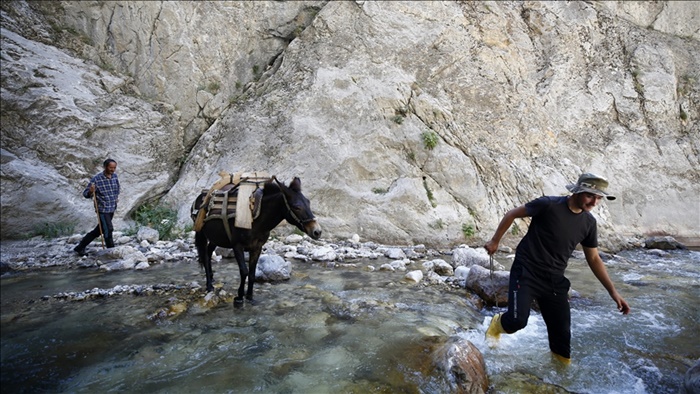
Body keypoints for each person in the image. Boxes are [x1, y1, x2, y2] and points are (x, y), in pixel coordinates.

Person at [483, 173, 630, 365]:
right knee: (517, 321)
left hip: (554, 280)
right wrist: (495, 241)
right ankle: (496, 324)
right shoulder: (548, 205)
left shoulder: (588, 223)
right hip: (526, 271)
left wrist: (613, 292)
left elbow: (593, 258)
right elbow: (512, 214)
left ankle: (561, 377)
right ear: (577, 191)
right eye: (590, 195)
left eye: (599, 198)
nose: (594, 202)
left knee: (562, 336)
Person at [74, 159, 120, 255]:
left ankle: (80, 247)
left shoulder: (115, 176)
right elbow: (86, 194)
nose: (113, 170)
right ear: (105, 167)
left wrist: (115, 197)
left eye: (114, 168)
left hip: (112, 207)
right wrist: (91, 191)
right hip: (102, 209)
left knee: (99, 230)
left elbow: (117, 188)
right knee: (108, 229)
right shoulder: (96, 179)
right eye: (111, 167)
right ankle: (111, 251)